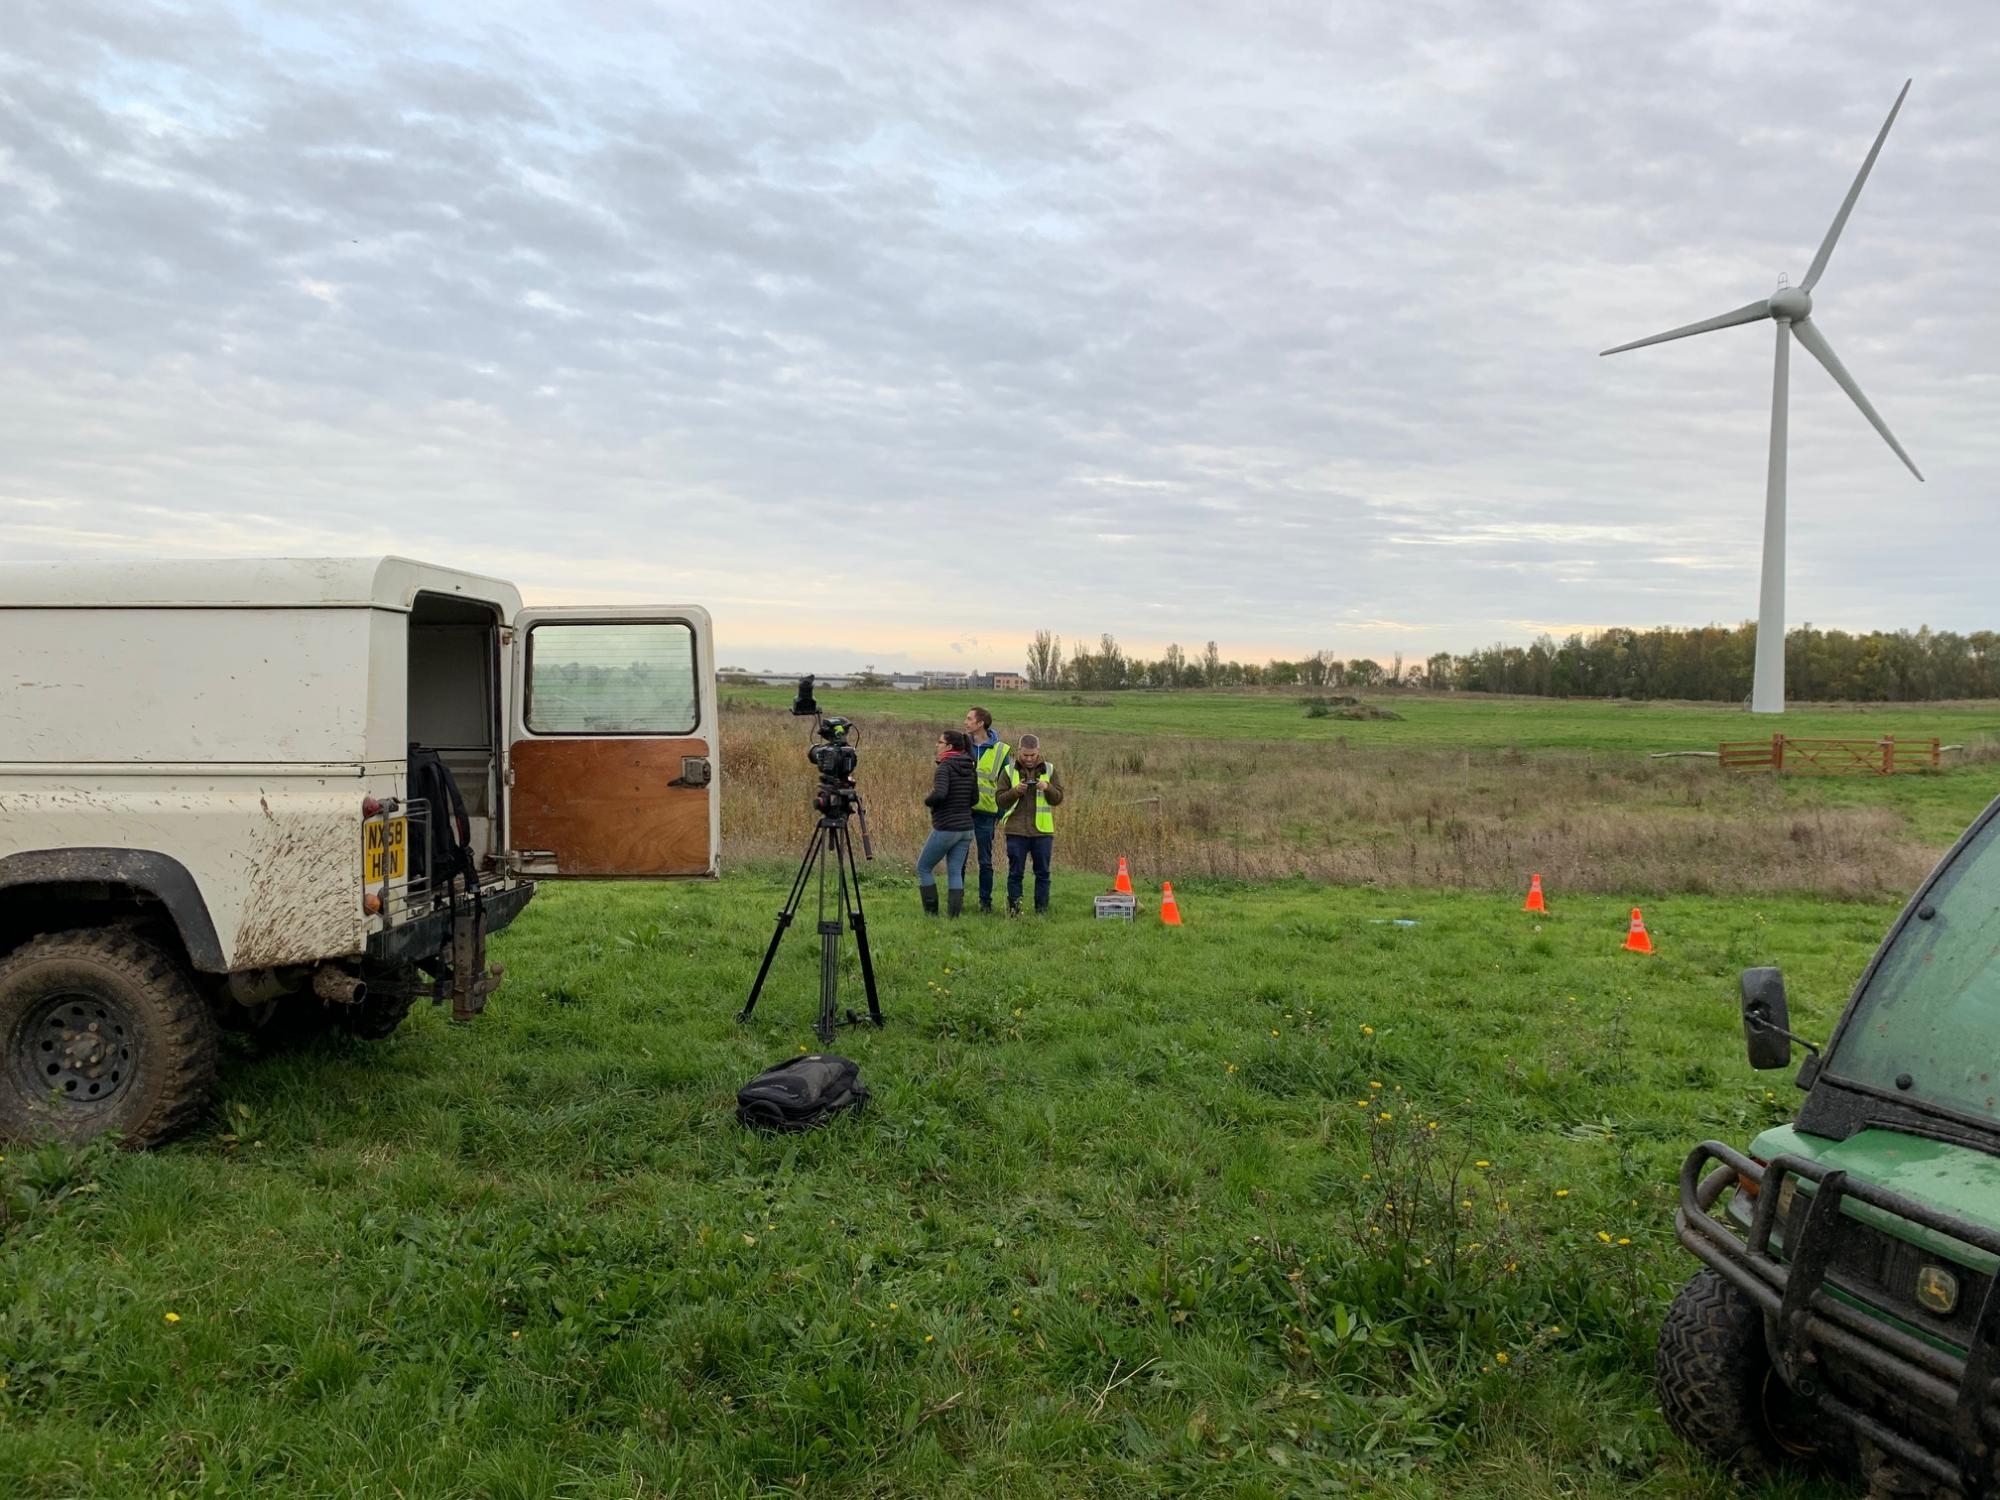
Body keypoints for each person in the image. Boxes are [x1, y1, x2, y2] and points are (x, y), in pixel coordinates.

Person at [995, 732, 1063, 915]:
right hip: (1016, 831)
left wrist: (1047, 788)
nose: (1029, 759)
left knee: (1043, 874)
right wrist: (1015, 791)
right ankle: (1014, 911)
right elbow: (1000, 800)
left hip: (1042, 832)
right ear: (1019, 752)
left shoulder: (1049, 770)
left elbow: (1058, 798)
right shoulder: (1008, 771)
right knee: (1015, 873)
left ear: (1038, 751)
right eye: (1025, 755)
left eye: (1032, 755)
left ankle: (1041, 911)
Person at [917, 728, 977, 916]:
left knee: (924, 868)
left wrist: (928, 801)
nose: (937, 745)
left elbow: (940, 793)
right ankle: (953, 918)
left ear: (949, 746)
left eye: (940, 742)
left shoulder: (944, 766)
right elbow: (975, 799)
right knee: (954, 871)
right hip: (966, 829)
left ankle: (932, 914)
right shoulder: (970, 766)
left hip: (946, 827)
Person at [963, 706, 1011, 914]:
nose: (965, 722)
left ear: (980, 723)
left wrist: (999, 814)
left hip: (986, 815)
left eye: (969, 718)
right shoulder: (963, 744)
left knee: (985, 861)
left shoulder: (1001, 750)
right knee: (959, 859)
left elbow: (1006, 784)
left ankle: (985, 903)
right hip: (963, 812)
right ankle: (957, 900)